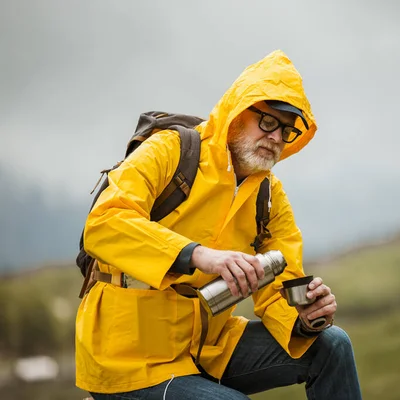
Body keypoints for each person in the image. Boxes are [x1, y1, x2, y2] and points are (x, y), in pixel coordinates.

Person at [76, 50, 362, 399]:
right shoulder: (169, 150)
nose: (276, 137)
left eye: (286, 130)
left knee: (331, 344)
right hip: (129, 357)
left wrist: (304, 318)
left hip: (209, 347)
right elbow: (103, 224)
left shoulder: (269, 194)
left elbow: (279, 287)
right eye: (268, 121)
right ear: (237, 112)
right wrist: (200, 256)